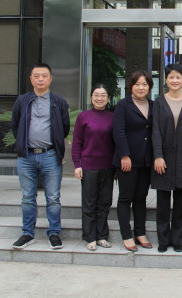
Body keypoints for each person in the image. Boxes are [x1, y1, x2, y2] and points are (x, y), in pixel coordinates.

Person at [11, 63, 69, 250]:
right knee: (28, 197)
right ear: (31, 79)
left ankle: (54, 233)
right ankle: (28, 233)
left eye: (44, 76)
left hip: (50, 155)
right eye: (36, 76)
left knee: (53, 198)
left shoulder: (59, 101)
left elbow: (64, 127)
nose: (40, 79)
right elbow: (15, 125)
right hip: (26, 156)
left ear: (50, 79)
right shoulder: (22, 101)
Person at [151, 64, 182, 253]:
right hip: (164, 158)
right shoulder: (159, 102)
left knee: (180, 203)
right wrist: (158, 156)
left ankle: (177, 239)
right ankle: (163, 240)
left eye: (178, 77)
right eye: (171, 77)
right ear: (166, 80)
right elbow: (155, 131)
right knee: (162, 202)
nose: (175, 80)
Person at [113, 70, 154, 252]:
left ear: (149, 87)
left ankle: (140, 232)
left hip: (146, 160)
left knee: (141, 198)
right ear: (131, 86)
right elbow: (118, 131)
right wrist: (124, 155)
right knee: (125, 198)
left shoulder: (153, 105)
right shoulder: (123, 105)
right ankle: (127, 235)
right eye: (137, 84)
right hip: (127, 160)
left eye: (144, 84)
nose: (141, 87)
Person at [72, 84, 115, 251]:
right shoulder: (83, 117)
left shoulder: (113, 117)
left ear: (108, 98)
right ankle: (90, 237)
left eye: (103, 95)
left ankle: (102, 236)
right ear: (91, 97)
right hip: (89, 166)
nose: (99, 98)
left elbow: (116, 143)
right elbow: (77, 143)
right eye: (96, 95)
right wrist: (77, 165)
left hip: (108, 166)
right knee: (89, 203)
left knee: (104, 202)